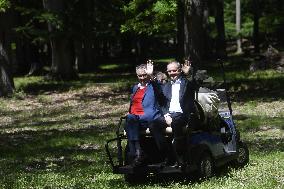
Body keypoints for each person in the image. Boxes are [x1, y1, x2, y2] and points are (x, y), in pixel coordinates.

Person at [150, 60, 196, 166]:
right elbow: (160, 99)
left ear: (180, 70)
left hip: (183, 114)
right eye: (169, 71)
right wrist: (166, 115)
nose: (172, 73)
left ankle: (180, 156)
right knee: (153, 125)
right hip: (169, 114)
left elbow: (194, 86)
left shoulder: (186, 82)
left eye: (174, 70)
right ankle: (168, 153)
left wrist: (188, 74)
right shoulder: (167, 85)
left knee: (176, 123)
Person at [125, 62, 163, 167]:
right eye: (139, 75)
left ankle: (134, 152)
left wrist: (151, 75)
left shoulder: (154, 85)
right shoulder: (135, 88)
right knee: (129, 118)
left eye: (144, 75)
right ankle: (137, 151)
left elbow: (159, 88)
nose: (142, 78)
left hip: (149, 119)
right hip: (136, 118)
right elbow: (133, 104)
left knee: (130, 122)